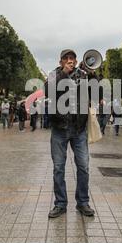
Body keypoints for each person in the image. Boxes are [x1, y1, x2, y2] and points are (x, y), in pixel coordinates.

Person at [44, 49, 95, 218]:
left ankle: (83, 202)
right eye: (66, 59)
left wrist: (93, 75)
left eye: (72, 58)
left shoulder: (83, 75)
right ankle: (60, 204)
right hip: (59, 128)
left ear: (76, 59)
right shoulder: (54, 75)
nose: (69, 61)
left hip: (79, 129)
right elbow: (48, 91)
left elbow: (96, 93)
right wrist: (64, 74)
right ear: (60, 62)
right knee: (58, 168)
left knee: (84, 167)